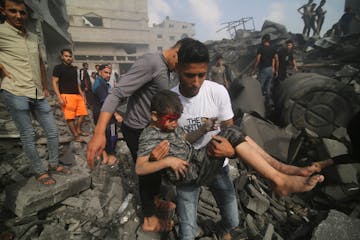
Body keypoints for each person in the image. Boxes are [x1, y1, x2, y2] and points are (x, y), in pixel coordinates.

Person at [165, 39, 324, 240]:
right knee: (186, 234)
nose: (196, 82)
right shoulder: (168, 101)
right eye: (189, 75)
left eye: (201, 75)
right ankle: (279, 175)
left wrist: (230, 152)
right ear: (178, 69)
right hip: (188, 169)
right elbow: (169, 145)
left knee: (233, 221)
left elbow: (229, 128)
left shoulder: (217, 91)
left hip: (217, 165)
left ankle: (281, 173)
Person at [86, 38, 193, 232]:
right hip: (137, 129)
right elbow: (117, 93)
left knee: (156, 170)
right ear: (176, 53)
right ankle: (149, 219)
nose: (180, 71)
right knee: (148, 171)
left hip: (152, 130)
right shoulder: (151, 63)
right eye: (181, 66)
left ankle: (155, 200)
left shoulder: (167, 69)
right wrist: (99, 132)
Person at [136, 89, 324, 192]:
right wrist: (167, 161)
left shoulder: (170, 126)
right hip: (189, 172)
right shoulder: (149, 135)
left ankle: (282, 169)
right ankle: (280, 179)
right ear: (154, 116)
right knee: (231, 133)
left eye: (177, 119)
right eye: (171, 120)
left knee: (231, 130)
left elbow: (183, 139)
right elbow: (140, 168)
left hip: (196, 161)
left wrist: (204, 128)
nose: (174, 123)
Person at [0, 0, 70, 185]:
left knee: (53, 131)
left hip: (38, 92)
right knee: (28, 135)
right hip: (15, 91)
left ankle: (54, 164)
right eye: (13, 11)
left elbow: (40, 62)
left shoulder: (32, 36)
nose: (18, 16)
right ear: (3, 11)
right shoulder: (1, 33)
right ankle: (40, 171)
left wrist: (45, 85)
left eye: (22, 12)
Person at [52, 49, 89, 143]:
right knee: (70, 117)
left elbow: (76, 83)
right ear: (62, 57)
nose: (68, 58)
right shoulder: (58, 68)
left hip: (77, 95)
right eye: (66, 56)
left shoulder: (73, 68)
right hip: (66, 95)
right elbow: (54, 82)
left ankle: (79, 129)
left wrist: (82, 95)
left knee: (84, 113)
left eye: (70, 56)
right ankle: (76, 135)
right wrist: (59, 97)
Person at [92, 64, 122, 165]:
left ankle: (104, 154)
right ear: (100, 72)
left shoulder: (102, 83)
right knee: (112, 134)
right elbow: (106, 103)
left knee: (105, 134)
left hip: (99, 115)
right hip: (107, 116)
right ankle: (111, 154)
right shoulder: (100, 85)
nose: (108, 75)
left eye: (110, 73)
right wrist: (116, 114)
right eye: (106, 72)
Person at [252, 34, 278, 108]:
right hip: (270, 70)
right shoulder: (273, 48)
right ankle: (268, 102)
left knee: (259, 86)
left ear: (263, 40)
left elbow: (257, 60)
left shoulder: (261, 48)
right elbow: (276, 59)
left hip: (264, 70)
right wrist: (275, 69)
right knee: (268, 87)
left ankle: (258, 103)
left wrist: (254, 69)